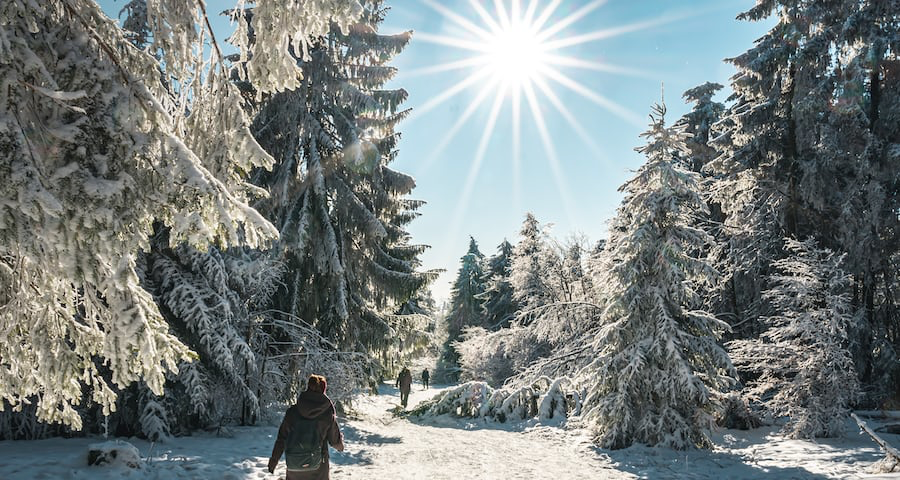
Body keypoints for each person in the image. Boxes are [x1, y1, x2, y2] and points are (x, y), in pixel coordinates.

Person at [268, 374, 344, 480]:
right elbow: (335, 442)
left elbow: (282, 438)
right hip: (318, 468)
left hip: (295, 466)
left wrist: (273, 461)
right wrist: (341, 446)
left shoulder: (293, 412)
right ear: (323, 391)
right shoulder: (326, 414)